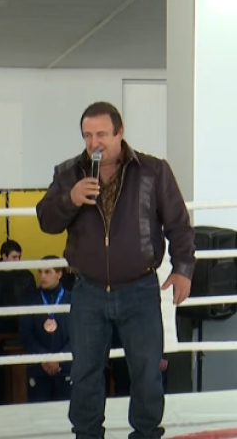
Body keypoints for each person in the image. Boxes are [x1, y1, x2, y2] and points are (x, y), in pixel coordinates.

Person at [36, 102, 195, 439]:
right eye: (87, 135)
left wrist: (183, 268)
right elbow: (46, 221)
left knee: (147, 371)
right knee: (85, 372)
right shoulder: (68, 173)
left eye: (102, 134)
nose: (94, 143)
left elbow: (179, 224)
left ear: (120, 133)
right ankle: (87, 434)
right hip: (88, 289)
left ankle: (146, 433)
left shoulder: (153, 170)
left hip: (139, 287)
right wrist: (70, 199)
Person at [19, 256, 72, 403]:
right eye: (40, 272)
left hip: (66, 369)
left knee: (66, 412)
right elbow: (25, 334)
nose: (42, 276)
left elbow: (79, 335)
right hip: (38, 368)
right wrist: (43, 358)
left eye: (47, 272)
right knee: (38, 413)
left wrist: (60, 359)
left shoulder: (73, 300)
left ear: (59, 274)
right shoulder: (30, 300)